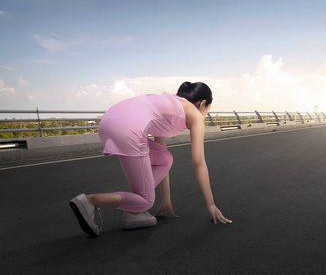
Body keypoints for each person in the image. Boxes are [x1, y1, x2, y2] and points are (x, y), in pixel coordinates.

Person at [70, 82, 232, 237]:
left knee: (165, 159)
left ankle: (134, 212)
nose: (206, 114)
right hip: (128, 129)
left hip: (109, 121)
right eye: (208, 109)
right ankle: (91, 201)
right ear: (203, 103)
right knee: (146, 200)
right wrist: (211, 205)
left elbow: (160, 158)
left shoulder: (169, 103)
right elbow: (198, 162)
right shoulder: (195, 115)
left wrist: (166, 200)